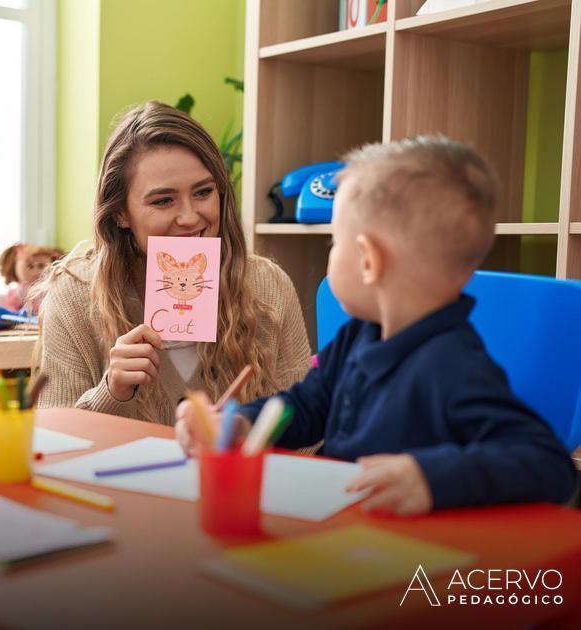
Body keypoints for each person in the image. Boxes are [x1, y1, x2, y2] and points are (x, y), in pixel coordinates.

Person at [176, 136, 578, 515]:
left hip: (408, 563)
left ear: (369, 260)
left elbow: (548, 464)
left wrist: (430, 478)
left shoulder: (454, 365)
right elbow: (306, 405)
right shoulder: (359, 334)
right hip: (339, 528)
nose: (331, 257)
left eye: (335, 243)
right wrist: (245, 421)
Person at [33, 101, 313, 425]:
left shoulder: (268, 288)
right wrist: (112, 392)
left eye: (203, 192)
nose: (191, 217)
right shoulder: (74, 296)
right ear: (121, 213)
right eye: (163, 200)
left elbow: (306, 435)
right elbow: (58, 445)